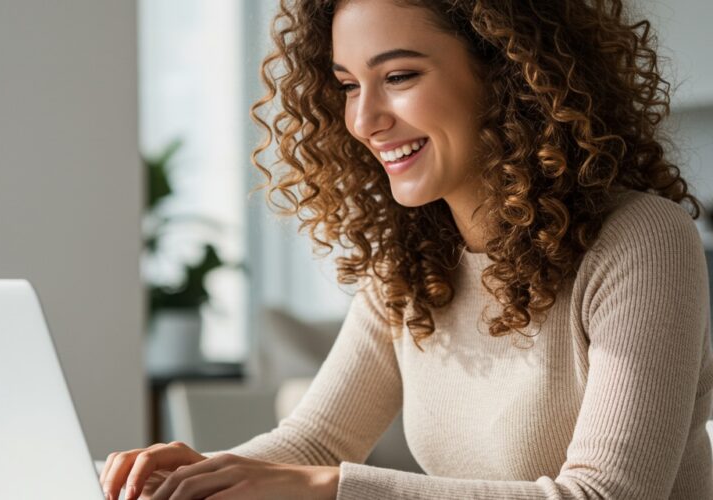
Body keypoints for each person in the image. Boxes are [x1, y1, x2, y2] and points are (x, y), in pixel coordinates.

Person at [100, 0, 713, 498]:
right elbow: (315, 441)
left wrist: (329, 487)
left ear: (508, 75)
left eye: (398, 76)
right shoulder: (409, 261)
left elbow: (608, 494)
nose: (365, 119)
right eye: (347, 85)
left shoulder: (642, 239)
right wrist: (189, 477)